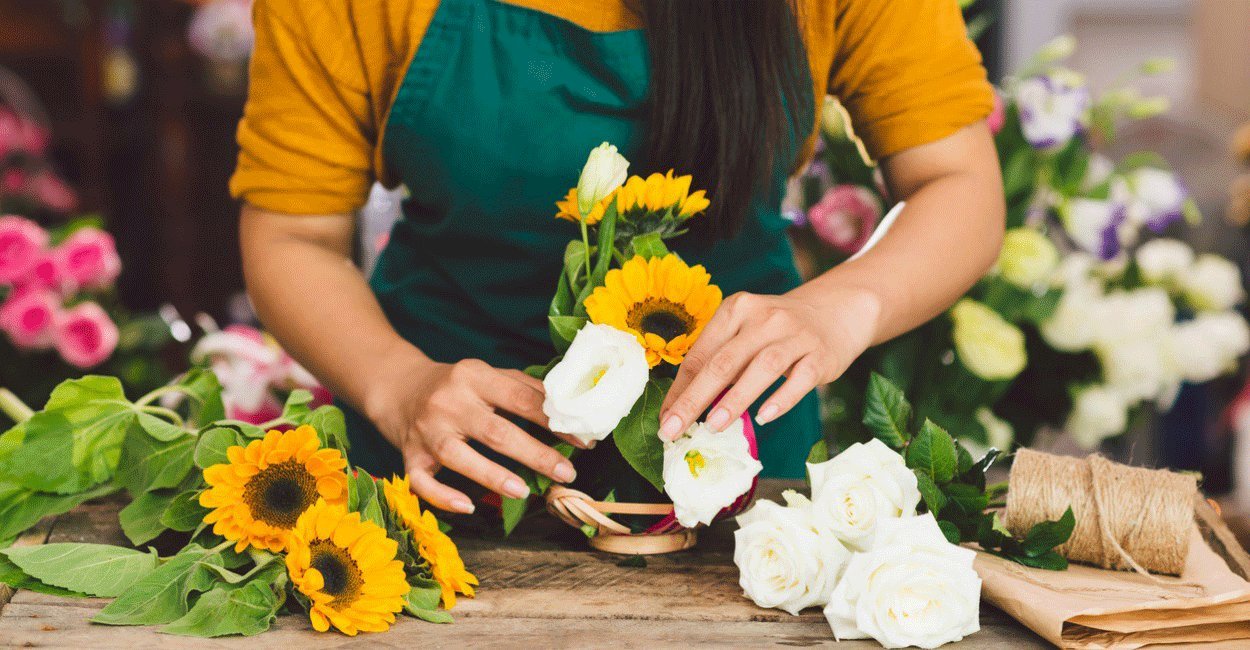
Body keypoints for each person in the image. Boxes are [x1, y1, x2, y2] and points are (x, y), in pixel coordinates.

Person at [232, 0, 1005, 515]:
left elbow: (959, 183)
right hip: (446, 455)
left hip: (730, 462)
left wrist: (842, 307)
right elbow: (293, 236)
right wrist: (398, 385)